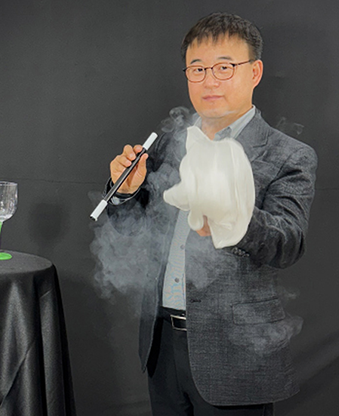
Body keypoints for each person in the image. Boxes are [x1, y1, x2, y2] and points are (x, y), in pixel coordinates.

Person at [105, 12, 317, 415]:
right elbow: (133, 230)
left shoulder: (289, 155)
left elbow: (288, 243)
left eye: (224, 67)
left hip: (235, 357)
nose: (209, 81)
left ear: (254, 72)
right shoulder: (168, 144)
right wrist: (125, 192)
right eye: (198, 69)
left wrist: (231, 217)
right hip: (162, 346)